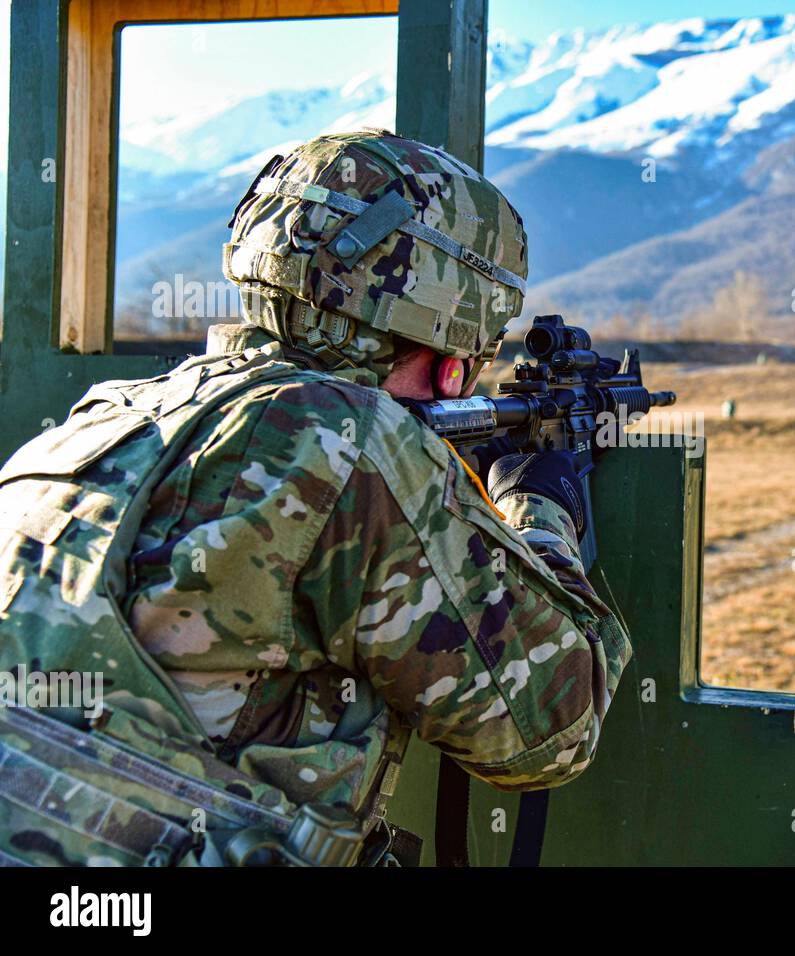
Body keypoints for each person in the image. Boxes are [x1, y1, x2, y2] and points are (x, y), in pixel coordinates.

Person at [0, 130, 631, 866]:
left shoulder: (108, 415)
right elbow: (553, 730)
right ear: (454, 355)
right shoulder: (350, 443)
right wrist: (538, 505)